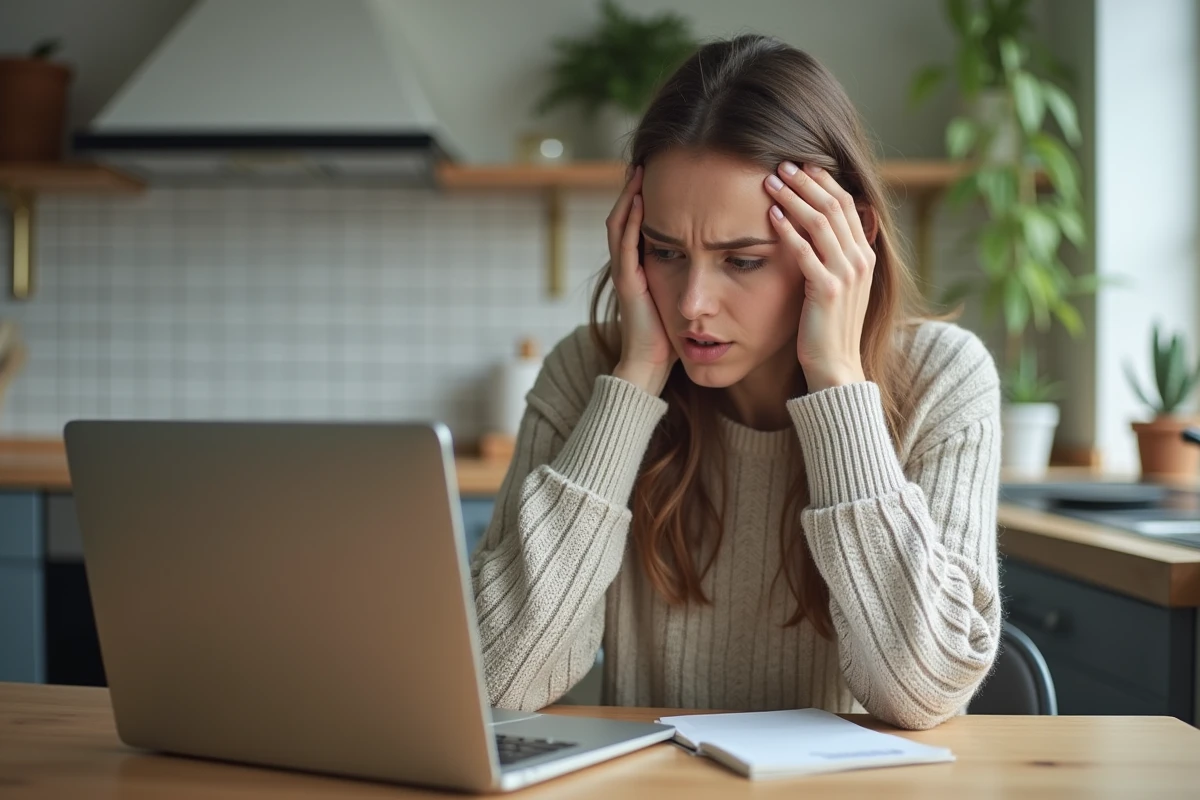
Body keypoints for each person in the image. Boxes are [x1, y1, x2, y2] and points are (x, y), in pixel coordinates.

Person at [469, 34, 1001, 731]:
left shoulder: (943, 379)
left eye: (742, 260)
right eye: (664, 251)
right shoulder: (586, 372)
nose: (692, 304)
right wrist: (635, 380)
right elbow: (497, 677)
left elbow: (922, 692)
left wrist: (838, 385)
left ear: (845, 243)